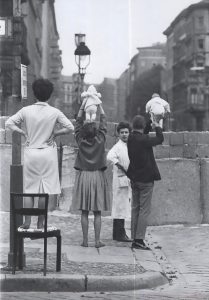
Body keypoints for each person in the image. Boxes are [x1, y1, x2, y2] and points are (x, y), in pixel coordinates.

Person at [5, 78, 74, 229]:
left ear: (34, 94)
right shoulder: (55, 112)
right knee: (45, 189)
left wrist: (22, 132)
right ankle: (41, 221)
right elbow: (70, 127)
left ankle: (27, 221)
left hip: (31, 152)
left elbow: (9, 123)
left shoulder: (26, 111)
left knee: (29, 189)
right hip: (48, 153)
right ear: (49, 95)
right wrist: (56, 133)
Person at [71, 102, 110, 248]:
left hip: (84, 176)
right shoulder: (101, 140)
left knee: (84, 212)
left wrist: (82, 106)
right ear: (96, 131)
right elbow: (104, 124)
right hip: (97, 176)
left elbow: (77, 125)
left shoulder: (80, 141)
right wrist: (100, 106)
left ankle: (85, 241)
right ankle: (97, 241)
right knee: (97, 212)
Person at [127, 115, 164, 250]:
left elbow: (143, 132)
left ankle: (134, 238)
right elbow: (160, 139)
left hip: (134, 178)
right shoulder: (145, 140)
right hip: (146, 180)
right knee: (144, 210)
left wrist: (150, 120)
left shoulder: (130, 138)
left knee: (135, 209)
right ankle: (139, 239)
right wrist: (158, 126)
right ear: (142, 127)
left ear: (133, 127)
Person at [107, 122, 132, 242]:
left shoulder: (129, 145)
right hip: (120, 179)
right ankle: (118, 234)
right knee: (119, 206)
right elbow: (110, 156)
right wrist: (120, 165)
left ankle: (120, 233)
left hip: (126, 179)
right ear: (118, 134)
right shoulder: (118, 146)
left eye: (126, 132)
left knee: (123, 206)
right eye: (122, 132)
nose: (124, 135)